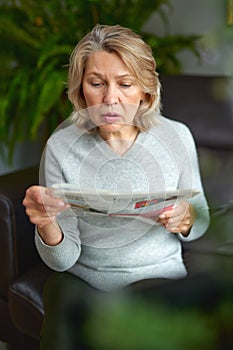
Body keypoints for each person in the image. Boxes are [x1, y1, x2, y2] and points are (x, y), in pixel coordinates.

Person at [23, 24, 210, 349]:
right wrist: (47, 225)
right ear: (81, 89)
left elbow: (202, 219)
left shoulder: (177, 136)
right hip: (87, 283)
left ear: (146, 91)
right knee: (60, 290)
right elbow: (63, 261)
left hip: (159, 282)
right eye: (96, 84)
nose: (110, 98)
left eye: (125, 84)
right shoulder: (60, 147)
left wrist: (187, 217)